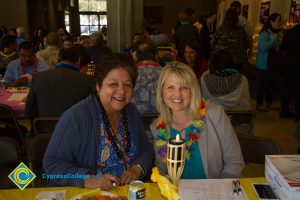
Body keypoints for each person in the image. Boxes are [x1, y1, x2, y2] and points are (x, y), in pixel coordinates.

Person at [43, 53, 154, 189]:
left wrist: (136, 169)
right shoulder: (77, 117)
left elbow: (146, 150)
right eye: (113, 84)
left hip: (127, 193)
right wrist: (87, 179)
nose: (121, 91)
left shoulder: (130, 111)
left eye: (127, 85)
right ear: (98, 86)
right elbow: (52, 165)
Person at [150, 62, 244, 179]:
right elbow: (163, 173)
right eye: (170, 87)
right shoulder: (158, 128)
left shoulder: (214, 113)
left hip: (214, 192)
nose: (177, 94)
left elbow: (235, 162)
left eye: (184, 87)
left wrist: (219, 190)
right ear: (161, 92)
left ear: (193, 90)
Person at [25, 47, 95, 119]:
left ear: (58, 61)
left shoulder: (38, 78)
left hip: (45, 128)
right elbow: (94, 112)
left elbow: (29, 112)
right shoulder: (88, 81)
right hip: (75, 129)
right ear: (78, 61)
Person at [256, 13, 283, 111]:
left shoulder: (277, 33)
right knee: (263, 84)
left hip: (272, 63)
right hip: (264, 63)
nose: (279, 23)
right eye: (278, 21)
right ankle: (259, 103)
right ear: (271, 22)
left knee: (271, 84)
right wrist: (274, 39)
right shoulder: (265, 34)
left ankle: (269, 102)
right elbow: (263, 47)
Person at [132, 41, 161, 114]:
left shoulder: (129, 74)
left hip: (135, 117)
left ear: (135, 55)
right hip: (162, 119)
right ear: (156, 55)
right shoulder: (167, 73)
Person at [280, 23, 300, 120]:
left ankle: (284, 111)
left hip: (288, 65)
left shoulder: (290, 31)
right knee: (298, 91)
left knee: (286, 89)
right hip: (298, 67)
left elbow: (282, 48)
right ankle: (298, 114)